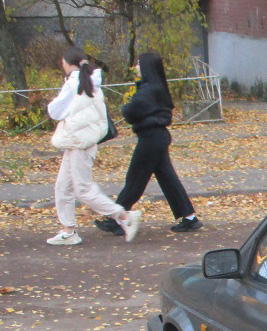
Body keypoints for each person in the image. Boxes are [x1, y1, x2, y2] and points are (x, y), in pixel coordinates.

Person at [96, 52, 202, 235]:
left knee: (135, 179)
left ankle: (118, 219)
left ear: (146, 67)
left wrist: (124, 108)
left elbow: (131, 111)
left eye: (139, 63)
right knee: (168, 179)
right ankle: (190, 218)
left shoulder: (148, 89)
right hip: (157, 137)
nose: (136, 66)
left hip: (150, 138)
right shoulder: (156, 86)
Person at [46, 47, 142, 245]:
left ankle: (124, 217)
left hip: (79, 142)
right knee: (63, 186)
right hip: (81, 141)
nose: (61, 64)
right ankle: (69, 231)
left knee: (82, 189)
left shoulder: (74, 84)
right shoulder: (91, 82)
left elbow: (55, 111)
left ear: (68, 62)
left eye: (62, 61)